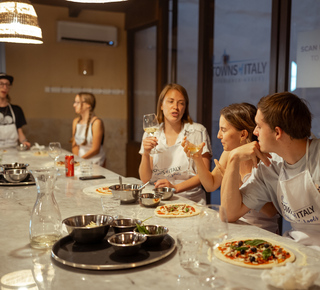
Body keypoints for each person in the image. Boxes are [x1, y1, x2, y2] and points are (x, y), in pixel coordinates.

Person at [221, 92, 320, 249]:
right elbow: (229, 213)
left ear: (278, 132)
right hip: (297, 248)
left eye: (259, 126)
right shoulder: (270, 165)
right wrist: (233, 158)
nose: (254, 132)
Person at [183, 103, 279, 233]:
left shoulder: (265, 158)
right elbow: (210, 185)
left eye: (223, 130)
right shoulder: (228, 154)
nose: (218, 135)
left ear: (243, 134)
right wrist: (197, 158)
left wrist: (237, 183)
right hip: (233, 225)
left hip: (262, 231)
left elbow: (271, 212)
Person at [139, 83, 212, 204]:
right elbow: (145, 178)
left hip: (190, 201)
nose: (176, 107)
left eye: (181, 103)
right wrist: (146, 154)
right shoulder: (151, 133)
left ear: (185, 107)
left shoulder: (197, 131)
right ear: (161, 105)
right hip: (157, 200)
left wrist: (175, 187)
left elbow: (205, 175)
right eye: (171, 101)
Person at [71, 92, 106, 166]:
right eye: (74, 102)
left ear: (88, 104)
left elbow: (95, 150)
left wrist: (79, 160)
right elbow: (74, 145)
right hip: (79, 160)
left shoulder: (96, 122)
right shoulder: (75, 121)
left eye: (77, 102)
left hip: (95, 162)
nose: (74, 105)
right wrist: (77, 160)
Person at [0, 73, 30, 149]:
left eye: (7, 85)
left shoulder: (16, 110)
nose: (5, 87)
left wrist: (24, 142)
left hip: (13, 151)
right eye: (1, 84)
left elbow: (20, 132)